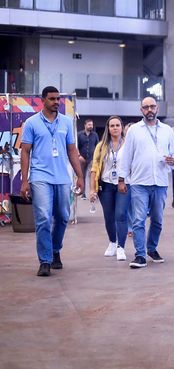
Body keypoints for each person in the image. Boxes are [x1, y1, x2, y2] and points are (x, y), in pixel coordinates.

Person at [20, 85, 84, 276]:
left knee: (63, 216)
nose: (56, 102)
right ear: (43, 100)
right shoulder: (31, 123)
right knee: (43, 219)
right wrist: (25, 181)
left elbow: (72, 150)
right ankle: (45, 260)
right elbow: (25, 152)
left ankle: (55, 249)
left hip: (62, 178)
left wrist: (80, 176)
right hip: (40, 177)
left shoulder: (65, 122)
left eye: (58, 99)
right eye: (52, 99)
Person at [117, 96, 174, 269]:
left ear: (157, 108)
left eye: (152, 106)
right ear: (141, 110)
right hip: (139, 182)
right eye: (146, 107)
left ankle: (152, 248)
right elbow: (126, 156)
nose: (149, 110)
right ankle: (140, 255)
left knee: (158, 220)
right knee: (138, 219)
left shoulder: (167, 130)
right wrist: (122, 180)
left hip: (160, 182)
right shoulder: (134, 130)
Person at [89, 116, 130, 261]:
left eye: (117, 125)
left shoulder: (128, 144)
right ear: (108, 128)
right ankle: (113, 242)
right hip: (105, 185)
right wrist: (92, 189)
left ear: (122, 127)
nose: (115, 128)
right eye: (112, 125)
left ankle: (121, 247)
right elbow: (94, 168)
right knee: (109, 216)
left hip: (123, 184)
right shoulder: (101, 146)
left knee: (121, 215)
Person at [77, 118, 99, 199]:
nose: (91, 126)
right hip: (82, 159)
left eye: (92, 125)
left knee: (91, 177)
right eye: (89, 125)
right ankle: (83, 194)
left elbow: (97, 146)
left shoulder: (95, 135)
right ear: (85, 125)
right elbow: (76, 147)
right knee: (82, 176)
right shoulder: (79, 135)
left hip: (92, 159)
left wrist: (96, 158)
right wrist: (79, 156)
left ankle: (91, 194)